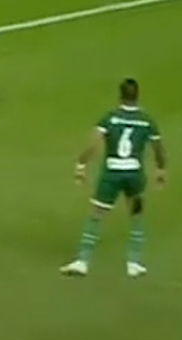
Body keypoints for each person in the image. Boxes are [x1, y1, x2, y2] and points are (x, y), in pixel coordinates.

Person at [61, 77, 167, 278]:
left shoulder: (110, 118)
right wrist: (161, 170)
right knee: (136, 214)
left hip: (112, 172)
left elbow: (93, 144)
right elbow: (158, 149)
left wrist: (81, 164)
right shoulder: (146, 121)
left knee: (96, 214)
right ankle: (134, 263)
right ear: (137, 96)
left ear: (120, 96)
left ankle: (83, 261)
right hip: (134, 173)